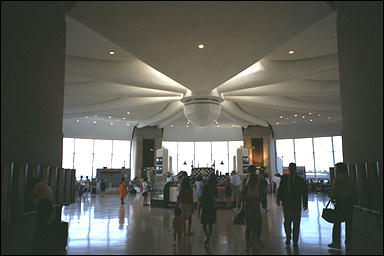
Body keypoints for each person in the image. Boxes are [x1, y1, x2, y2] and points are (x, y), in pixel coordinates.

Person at [277, 162, 308, 247]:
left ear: (295, 169)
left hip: (296, 204)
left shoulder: (300, 180)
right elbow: (281, 189)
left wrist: (305, 203)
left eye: (292, 168)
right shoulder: (284, 179)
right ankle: (288, 237)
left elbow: (304, 192)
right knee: (287, 222)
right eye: (290, 168)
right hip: (286, 203)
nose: (291, 169)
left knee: (296, 222)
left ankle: (295, 240)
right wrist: (278, 199)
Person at [328, 162, 356, 250]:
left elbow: (334, 192)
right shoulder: (350, 178)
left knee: (337, 223)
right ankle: (348, 242)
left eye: (336, 169)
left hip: (340, 202)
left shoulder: (338, 179)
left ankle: (336, 242)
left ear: (339, 169)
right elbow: (354, 190)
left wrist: (332, 197)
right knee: (348, 224)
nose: (336, 171)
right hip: (349, 202)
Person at [239, 165, 264, 250]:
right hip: (255, 204)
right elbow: (262, 192)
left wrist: (241, 203)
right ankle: (255, 239)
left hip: (249, 204)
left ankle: (248, 242)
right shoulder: (259, 179)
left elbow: (243, 193)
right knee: (257, 223)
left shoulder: (246, 180)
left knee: (249, 225)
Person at [31, 177, 54, 250]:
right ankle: (44, 239)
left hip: (43, 204)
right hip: (49, 204)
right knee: (45, 221)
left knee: (40, 222)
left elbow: (34, 194)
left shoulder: (38, 185)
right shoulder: (46, 186)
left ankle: (39, 241)